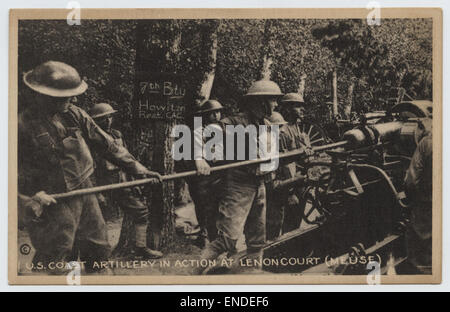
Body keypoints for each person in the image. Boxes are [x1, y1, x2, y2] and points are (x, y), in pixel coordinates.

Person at [18, 61, 161, 274]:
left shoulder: (75, 114)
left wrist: (138, 169)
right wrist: (31, 195)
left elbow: (108, 146)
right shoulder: (21, 125)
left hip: (85, 190)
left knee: (98, 247)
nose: (74, 99)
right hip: (52, 198)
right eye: (67, 95)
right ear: (46, 96)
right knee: (57, 251)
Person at [196, 79, 283, 273]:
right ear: (261, 102)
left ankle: (253, 275)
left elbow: (272, 154)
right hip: (238, 185)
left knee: (257, 240)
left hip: (259, 185)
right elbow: (200, 135)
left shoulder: (267, 125)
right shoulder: (234, 123)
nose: (276, 104)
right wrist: (199, 159)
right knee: (227, 240)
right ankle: (188, 276)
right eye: (272, 100)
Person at [89, 103, 163, 259]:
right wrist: (96, 192)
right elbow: (90, 166)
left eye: (109, 117)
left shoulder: (116, 135)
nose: (108, 121)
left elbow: (126, 159)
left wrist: (139, 177)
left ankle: (141, 248)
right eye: (103, 119)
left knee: (140, 211)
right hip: (102, 183)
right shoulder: (91, 139)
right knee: (95, 220)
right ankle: (96, 256)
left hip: (121, 182)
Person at [186, 99, 224, 248]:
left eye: (218, 112)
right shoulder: (198, 132)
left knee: (217, 206)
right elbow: (198, 151)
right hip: (201, 176)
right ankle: (204, 235)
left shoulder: (221, 130)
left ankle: (215, 235)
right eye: (212, 113)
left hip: (217, 173)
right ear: (205, 116)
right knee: (203, 205)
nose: (216, 115)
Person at [278, 92, 314, 233]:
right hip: (289, 184)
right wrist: (290, 193)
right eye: (297, 106)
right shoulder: (283, 131)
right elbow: (283, 164)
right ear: (287, 109)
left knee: (296, 223)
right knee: (287, 225)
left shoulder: (297, 128)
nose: (302, 109)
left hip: (301, 181)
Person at [404, 133, 432, 274]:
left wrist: (411, 201)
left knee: (421, 259)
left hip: (427, 210)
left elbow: (411, 182)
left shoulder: (426, 143)